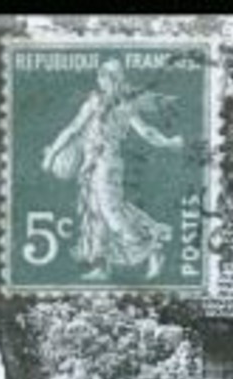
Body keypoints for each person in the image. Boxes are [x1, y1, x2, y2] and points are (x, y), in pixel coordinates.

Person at [40, 58, 184, 281]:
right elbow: (72, 129)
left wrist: (168, 142)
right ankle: (101, 266)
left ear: (114, 80)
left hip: (107, 165)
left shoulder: (125, 104)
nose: (102, 80)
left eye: (106, 77)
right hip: (92, 166)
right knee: (96, 215)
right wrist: (51, 155)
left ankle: (152, 248)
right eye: (101, 76)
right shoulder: (96, 102)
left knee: (111, 213)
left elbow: (145, 131)